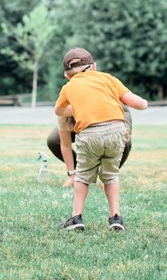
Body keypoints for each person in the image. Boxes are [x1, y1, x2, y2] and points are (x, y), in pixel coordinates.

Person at [54, 48, 149, 233]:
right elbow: (136, 103)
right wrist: (144, 103)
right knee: (111, 175)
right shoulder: (108, 78)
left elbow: (58, 111)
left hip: (89, 134)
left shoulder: (69, 87)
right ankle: (115, 217)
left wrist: (76, 108)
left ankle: (76, 217)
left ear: (67, 75)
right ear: (94, 67)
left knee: (82, 176)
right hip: (116, 131)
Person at [46, 108, 132, 188]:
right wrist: (72, 175)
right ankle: (81, 173)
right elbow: (65, 145)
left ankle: (108, 175)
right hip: (81, 117)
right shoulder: (64, 109)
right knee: (53, 140)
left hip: (112, 111)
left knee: (124, 141)